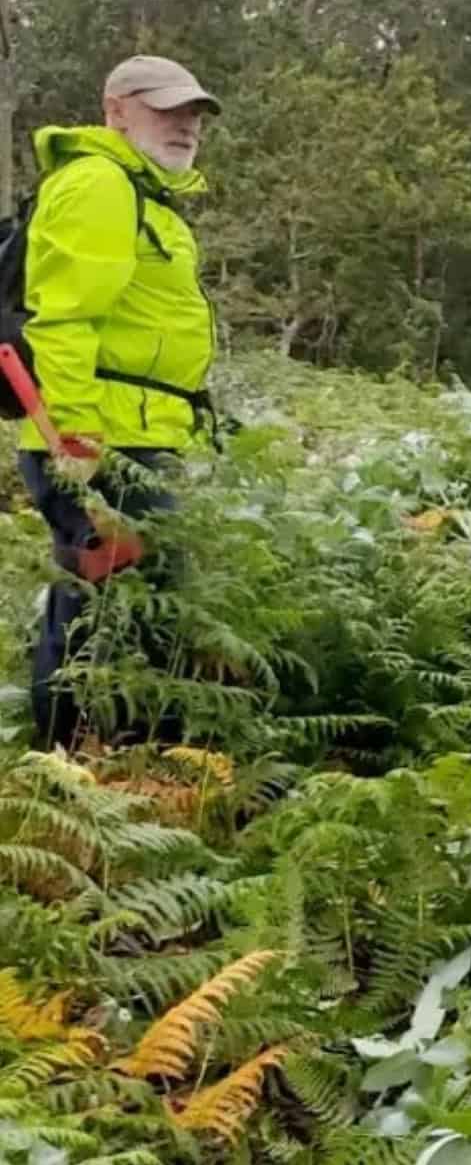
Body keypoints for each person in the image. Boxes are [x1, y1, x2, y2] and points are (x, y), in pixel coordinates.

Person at [17, 55, 222, 746]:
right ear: (116, 110)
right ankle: (88, 779)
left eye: (193, 113)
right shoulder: (100, 185)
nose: (185, 125)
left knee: (104, 603)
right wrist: (71, 438)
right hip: (97, 444)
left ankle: (92, 780)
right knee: (127, 608)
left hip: (132, 438)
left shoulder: (142, 194)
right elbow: (65, 318)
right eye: (165, 108)